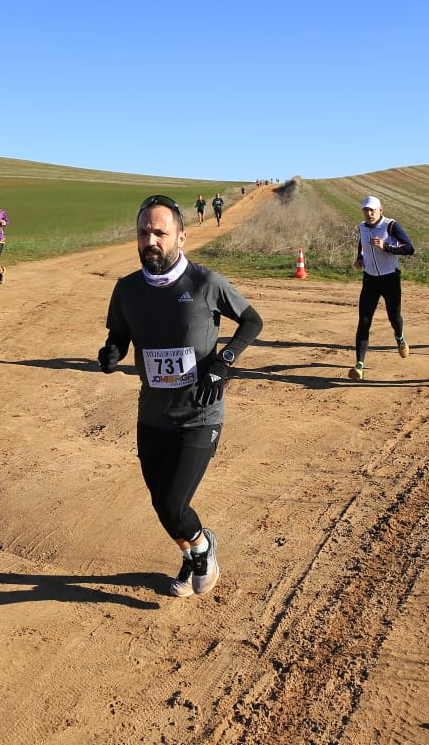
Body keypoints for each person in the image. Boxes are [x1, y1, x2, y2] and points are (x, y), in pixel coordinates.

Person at [98, 194, 264, 598]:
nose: (150, 240)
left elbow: (251, 320)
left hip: (200, 413)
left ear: (181, 237)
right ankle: (190, 558)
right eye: (143, 232)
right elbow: (119, 334)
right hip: (152, 414)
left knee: (173, 503)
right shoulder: (127, 290)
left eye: (159, 232)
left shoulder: (206, 283)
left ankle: (204, 547)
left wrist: (223, 362)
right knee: (162, 505)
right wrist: (112, 352)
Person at [348, 196, 415, 380]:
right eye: (365, 210)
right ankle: (359, 365)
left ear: (380, 210)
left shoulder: (390, 225)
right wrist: (360, 259)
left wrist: (386, 246)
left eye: (372, 210)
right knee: (364, 321)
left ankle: (399, 337)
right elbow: (362, 245)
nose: (369, 214)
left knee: (394, 317)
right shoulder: (362, 227)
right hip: (370, 280)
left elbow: (410, 248)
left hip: (390, 279)